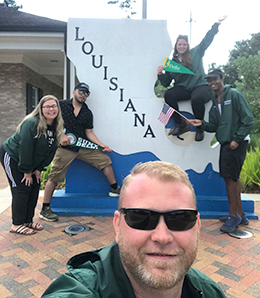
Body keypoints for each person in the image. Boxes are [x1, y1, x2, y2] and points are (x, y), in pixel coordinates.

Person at [41, 161, 226, 298]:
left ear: (197, 226)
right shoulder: (81, 291)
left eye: (180, 219)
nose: (162, 237)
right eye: (141, 217)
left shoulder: (210, 293)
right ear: (117, 225)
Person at [40, 82, 121, 222]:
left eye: (86, 93)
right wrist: (61, 136)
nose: (83, 95)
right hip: (65, 148)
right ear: (74, 92)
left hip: (83, 146)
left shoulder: (87, 113)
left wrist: (102, 145)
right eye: (81, 92)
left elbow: (89, 133)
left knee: (105, 161)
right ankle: (45, 208)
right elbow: (50, 121)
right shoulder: (61, 105)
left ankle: (115, 189)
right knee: (54, 177)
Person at [189, 69, 254, 233]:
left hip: (235, 143)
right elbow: (214, 126)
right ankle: (240, 213)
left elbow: (248, 119)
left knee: (230, 179)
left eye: (215, 79)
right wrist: (200, 123)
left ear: (222, 79)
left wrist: (236, 139)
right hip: (226, 143)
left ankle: (233, 216)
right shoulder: (214, 101)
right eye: (209, 80)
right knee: (232, 178)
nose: (212, 83)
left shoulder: (234, 94)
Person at [0, 95, 63, 235]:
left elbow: (50, 151)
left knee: (34, 187)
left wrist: (39, 169)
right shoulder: (31, 123)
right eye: (47, 106)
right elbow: (26, 148)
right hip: (13, 156)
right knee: (21, 189)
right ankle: (16, 224)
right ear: (41, 109)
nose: (51, 109)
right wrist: (27, 171)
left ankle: (27, 220)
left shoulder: (56, 126)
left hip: (29, 161)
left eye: (54, 106)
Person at [157, 16, 227, 142]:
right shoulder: (172, 64)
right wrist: (160, 74)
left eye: (184, 44)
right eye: (180, 44)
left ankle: (200, 127)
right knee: (169, 95)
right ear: (176, 46)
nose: (182, 46)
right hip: (184, 89)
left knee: (197, 98)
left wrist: (216, 24)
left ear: (187, 45)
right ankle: (180, 123)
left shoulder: (196, 52)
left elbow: (207, 40)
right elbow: (166, 83)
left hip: (201, 86)